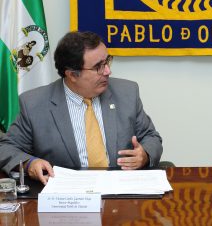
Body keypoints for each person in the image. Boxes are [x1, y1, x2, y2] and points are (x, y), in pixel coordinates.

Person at [0, 31, 162, 184]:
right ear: (71, 74)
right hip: (67, 198)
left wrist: (144, 154)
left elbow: (151, 137)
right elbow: (6, 148)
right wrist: (30, 164)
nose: (108, 71)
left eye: (107, 61)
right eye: (98, 66)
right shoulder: (35, 104)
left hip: (120, 192)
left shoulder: (127, 92)